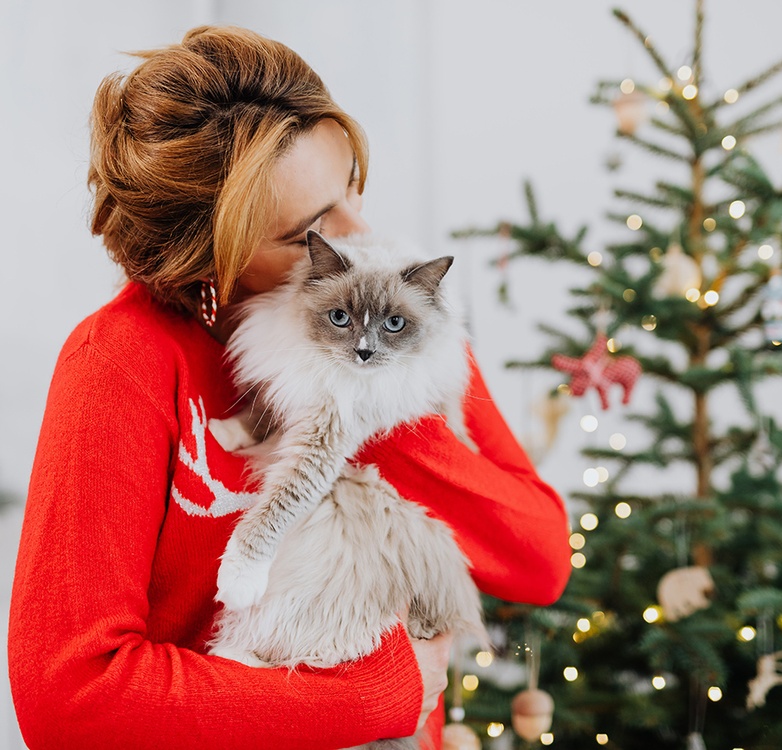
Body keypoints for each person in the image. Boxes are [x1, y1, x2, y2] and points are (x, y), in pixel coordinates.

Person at [8, 25, 570, 750]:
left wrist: (371, 402)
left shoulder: (392, 319)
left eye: (351, 188)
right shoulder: (117, 365)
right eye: (307, 229)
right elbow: (72, 698)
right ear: (207, 256)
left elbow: (538, 560)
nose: (359, 233)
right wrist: (377, 695)